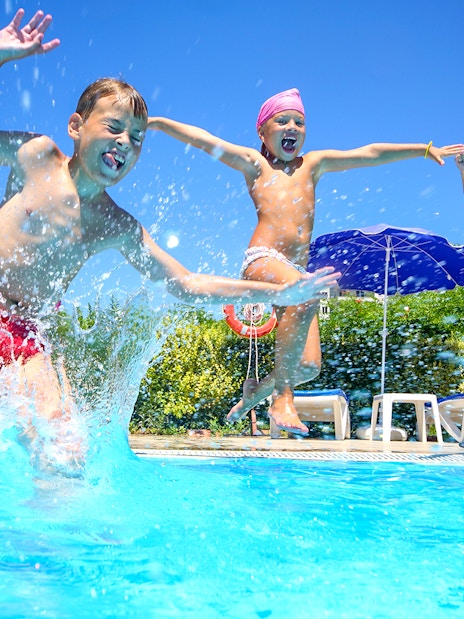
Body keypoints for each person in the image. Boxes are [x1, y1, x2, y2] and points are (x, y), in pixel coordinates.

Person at [0, 10, 340, 465]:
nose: (125, 142)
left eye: (138, 138)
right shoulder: (36, 155)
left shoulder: (117, 225)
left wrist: (281, 291)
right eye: (114, 128)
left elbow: (186, 284)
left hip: (23, 332)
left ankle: (48, 537)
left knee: (64, 450)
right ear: (76, 126)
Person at [149, 88, 464, 436]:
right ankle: (281, 398)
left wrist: (422, 149)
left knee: (309, 365)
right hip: (263, 260)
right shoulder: (255, 164)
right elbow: (205, 140)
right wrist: (161, 124)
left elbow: (368, 154)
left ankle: (257, 391)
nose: (292, 127)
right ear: (262, 132)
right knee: (304, 295)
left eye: (299, 122)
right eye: (282, 120)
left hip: (296, 272)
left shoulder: (312, 165)